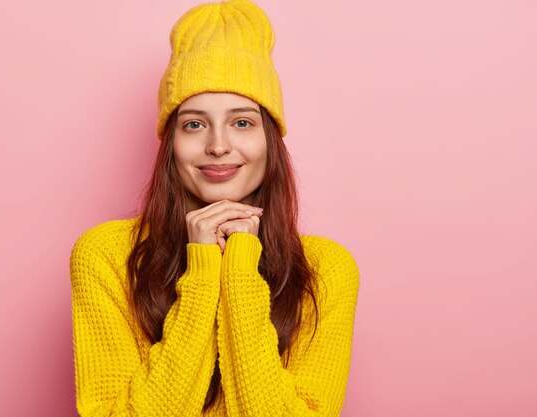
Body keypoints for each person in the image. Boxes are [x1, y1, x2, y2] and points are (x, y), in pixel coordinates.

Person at [69, 0, 360, 416]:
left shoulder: (326, 269)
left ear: (270, 141)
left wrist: (241, 269)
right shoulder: (105, 256)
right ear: (170, 143)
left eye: (242, 122)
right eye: (194, 124)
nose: (218, 145)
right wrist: (202, 270)